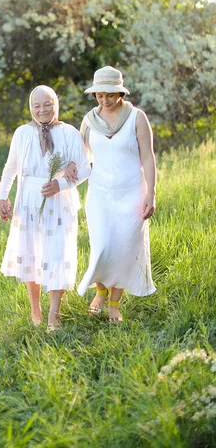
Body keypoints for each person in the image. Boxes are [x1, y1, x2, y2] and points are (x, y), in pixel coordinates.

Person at [0, 85, 91, 330]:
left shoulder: (69, 132)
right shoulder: (22, 133)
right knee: (31, 252)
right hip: (28, 198)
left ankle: (54, 315)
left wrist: (60, 184)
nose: (42, 110)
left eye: (47, 104)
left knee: (56, 253)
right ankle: (36, 314)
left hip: (58, 199)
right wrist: (2, 196)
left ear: (56, 104)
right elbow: (11, 167)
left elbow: (85, 168)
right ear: (30, 107)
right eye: (36, 105)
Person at [76, 66, 156, 323]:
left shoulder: (136, 117)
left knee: (124, 247)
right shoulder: (89, 120)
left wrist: (151, 193)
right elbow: (80, 157)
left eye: (110, 94)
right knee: (102, 246)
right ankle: (99, 291)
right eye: (99, 94)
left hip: (132, 192)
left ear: (120, 92)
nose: (104, 100)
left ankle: (114, 304)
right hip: (100, 194)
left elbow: (148, 157)